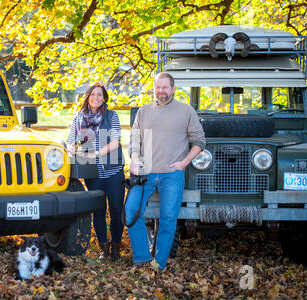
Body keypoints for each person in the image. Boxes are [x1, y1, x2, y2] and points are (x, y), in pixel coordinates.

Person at [126, 72, 205, 270]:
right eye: (157, 87)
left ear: (173, 89)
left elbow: (199, 141)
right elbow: (135, 139)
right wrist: (135, 159)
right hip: (146, 173)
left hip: (172, 174)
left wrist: (184, 162)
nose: (160, 91)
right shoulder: (143, 111)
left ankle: (159, 264)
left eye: (164, 87)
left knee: (168, 218)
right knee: (130, 212)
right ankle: (142, 257)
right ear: (154, 88)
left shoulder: (186, 111)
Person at [66, 82, 125, 261]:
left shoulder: (111, 116)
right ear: (88, 97)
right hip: (93, 173)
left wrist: (95, 154)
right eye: (93, 95)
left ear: (104, 98)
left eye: (99, 95)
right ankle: (103, 249)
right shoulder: (79, 118)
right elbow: (70, 140)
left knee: (116, 210)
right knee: (98, 211)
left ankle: (116, 246)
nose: (96, 98)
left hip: (113, 171)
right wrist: (71, 149)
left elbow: (115, 142)